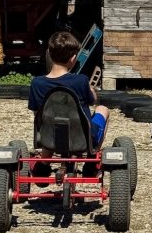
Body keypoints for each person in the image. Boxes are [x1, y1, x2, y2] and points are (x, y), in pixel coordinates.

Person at [28, 31, 109, 159]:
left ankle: (44, 163)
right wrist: (91, 91)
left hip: (49, 139)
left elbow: (37, 114)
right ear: (73, 58)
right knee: (102, 109)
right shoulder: (81, 80)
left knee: (50, 118)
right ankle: (91, 156)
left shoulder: (37, 83)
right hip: (82, 138)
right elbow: (92, 101)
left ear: (49, 54)